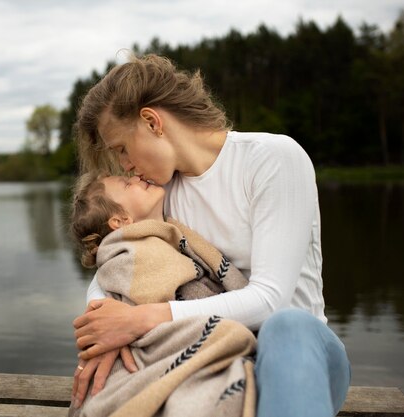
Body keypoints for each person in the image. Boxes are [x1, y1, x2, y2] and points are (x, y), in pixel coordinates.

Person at [71, 54, 351, 417]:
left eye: (122, 149)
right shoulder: (160, 194)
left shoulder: (271, 159)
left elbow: (271, 301)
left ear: (152, 121)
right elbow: (115, 264)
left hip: (303, 356)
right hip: (216, 359)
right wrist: (108, 323)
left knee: (288, 325)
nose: (124, 165)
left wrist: (140, 320)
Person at [68, 171, 256, 417]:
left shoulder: (172, 235)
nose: (136, 177)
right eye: (127, 183)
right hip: (162, 346)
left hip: (176, 331)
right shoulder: (127, 255)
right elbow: (139, 293)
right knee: (229, 338)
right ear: (120, 220)